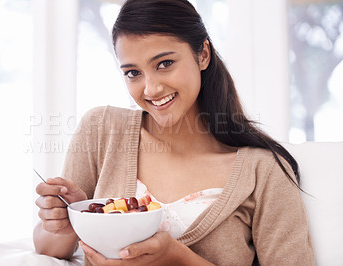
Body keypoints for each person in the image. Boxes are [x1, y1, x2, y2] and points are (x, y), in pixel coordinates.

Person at [33, 0, 315, 265]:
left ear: (203, 54)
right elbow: (51, 249)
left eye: (164, 64)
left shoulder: (263, 171)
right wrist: (66, 220)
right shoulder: (102, 129)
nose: (151, 89)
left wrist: (178, 258)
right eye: (133, 73)